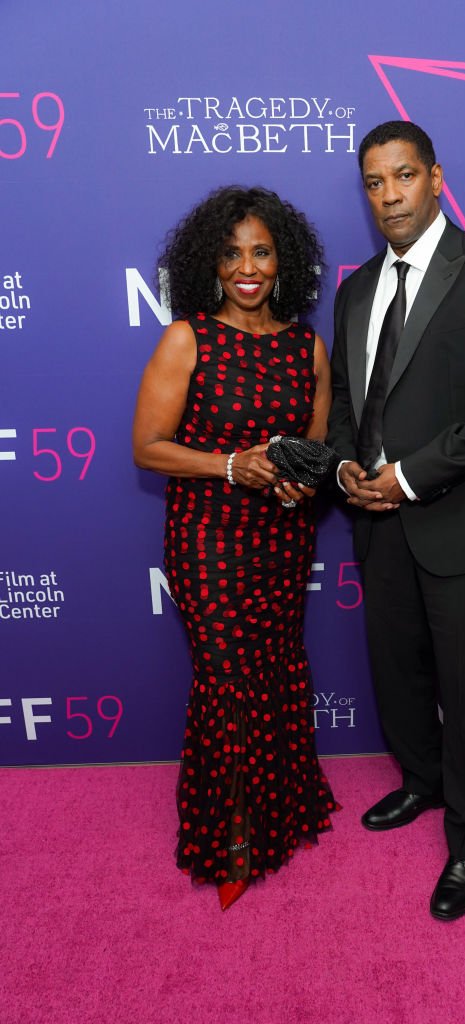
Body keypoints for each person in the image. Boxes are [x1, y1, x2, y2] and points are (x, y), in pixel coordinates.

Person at [327, 121, 465, 921]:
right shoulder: (354, 291)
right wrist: (348, 464)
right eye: (374, 183)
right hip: (378, 526)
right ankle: (419, 782)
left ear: (436, 179)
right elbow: (348, 403)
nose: (389, 196)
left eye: (403, 177)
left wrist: (407, 478)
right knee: (400, 675)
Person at [133, 186, 338, 911]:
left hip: (281, 540)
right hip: (207, 539)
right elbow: (147, 448)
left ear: (283, 259)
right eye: (231, 254)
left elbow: (313, 447)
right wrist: (228, 465)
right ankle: (232, 835)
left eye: (260, 251)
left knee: (278, 670)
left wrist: (297, 486)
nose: (246, 267)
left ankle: (284, 811)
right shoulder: (187, 338)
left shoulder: (304, 345)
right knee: (226, 681)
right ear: (209, 265)